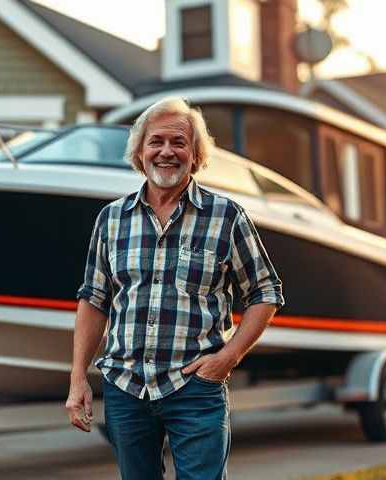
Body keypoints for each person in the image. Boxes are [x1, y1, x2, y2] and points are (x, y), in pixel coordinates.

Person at [65, 97, 285, 479]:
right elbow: (94, 300)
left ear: (195, 153)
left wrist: (227, 358)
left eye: (179, 143)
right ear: (139, 151)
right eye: (156, 142)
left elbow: (265, 291)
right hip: (125, 387)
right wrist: (78, 377)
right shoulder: (111, 219)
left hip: (195, 388)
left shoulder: (226, 216)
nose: (167, 152)